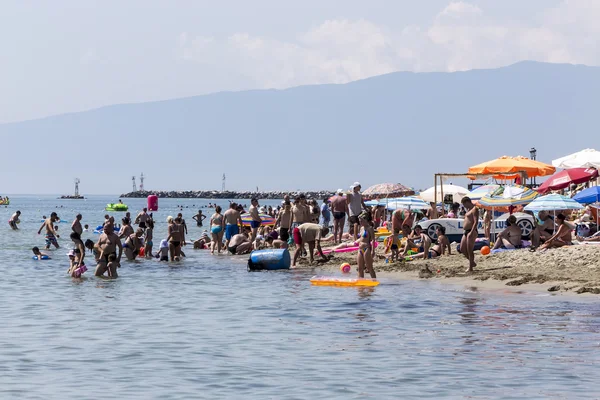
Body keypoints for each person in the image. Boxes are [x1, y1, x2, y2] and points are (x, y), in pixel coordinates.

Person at [460, 197, 479, 272]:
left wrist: (472, 231)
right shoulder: (468, 210)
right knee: (462, 248)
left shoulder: (475, 209)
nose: (464, 206)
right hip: (466, 231)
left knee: (469, 250)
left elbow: (476, 221)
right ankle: (472, 262)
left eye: (464, 204)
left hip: (471, 231)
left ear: (467, 202)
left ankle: (470, 267)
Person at [357, 211, 376, 279]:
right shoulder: (361, 228)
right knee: (360, 267)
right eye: (359, 221)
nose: (360, 222)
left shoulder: (370, 228)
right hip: (360, 249)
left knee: (369, 267)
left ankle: (374, 281)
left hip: (367, 248)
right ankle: (361, 283)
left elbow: (373, 240)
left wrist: (373, 251)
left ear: (365, 220)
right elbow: (361, 238)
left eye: (361, 221)